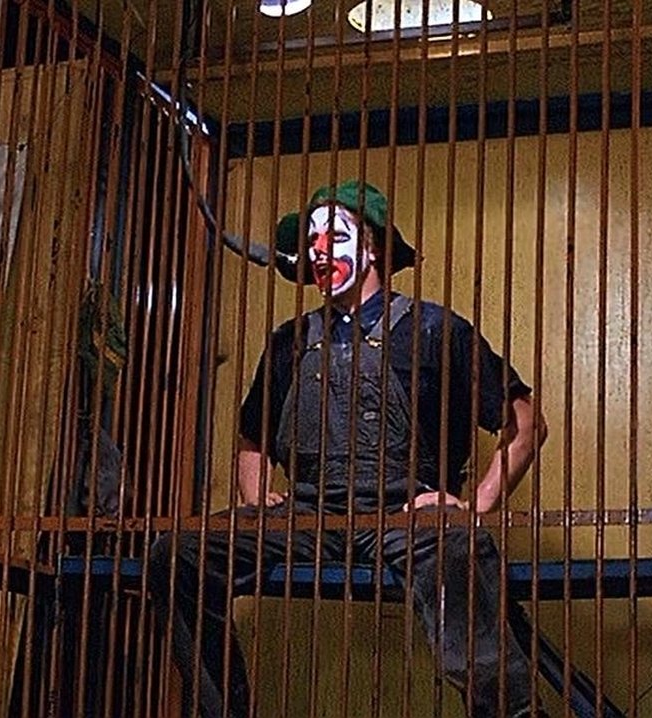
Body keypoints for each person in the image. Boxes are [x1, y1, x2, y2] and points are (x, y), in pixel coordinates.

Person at [148, 180, 547, 718]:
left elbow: (525, 422)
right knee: (178, 553)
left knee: (459, 547)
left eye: (335, 236)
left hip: (403, 513)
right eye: (312, 241)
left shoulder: (434, 330)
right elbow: (253, 435)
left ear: (374, 247)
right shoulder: (289, 340)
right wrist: (257, 495)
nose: (318, 250)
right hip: (310, 514)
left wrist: (476, 504)